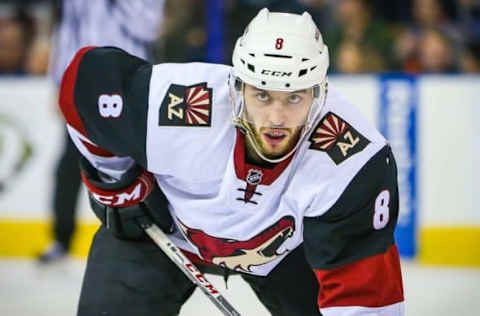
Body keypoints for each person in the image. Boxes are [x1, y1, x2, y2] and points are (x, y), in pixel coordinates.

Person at [58, 8, 405, 316]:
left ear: (320, 94)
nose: (276, 118)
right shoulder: (184, 103)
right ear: (237, 88)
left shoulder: (352, 163)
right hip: (159, 232)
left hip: (285, 256)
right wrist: (119, 184)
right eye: (262, 94)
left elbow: (365, 296)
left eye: (295, 97)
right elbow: (83, 85)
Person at [37, 0, 165, 263]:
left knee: (142, 163)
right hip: (84, 84)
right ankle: (61, 238)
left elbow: (149, 27)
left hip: (131, 84)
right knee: (71, 163)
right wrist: (58, 83)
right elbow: (67, 32)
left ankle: (154, 236)